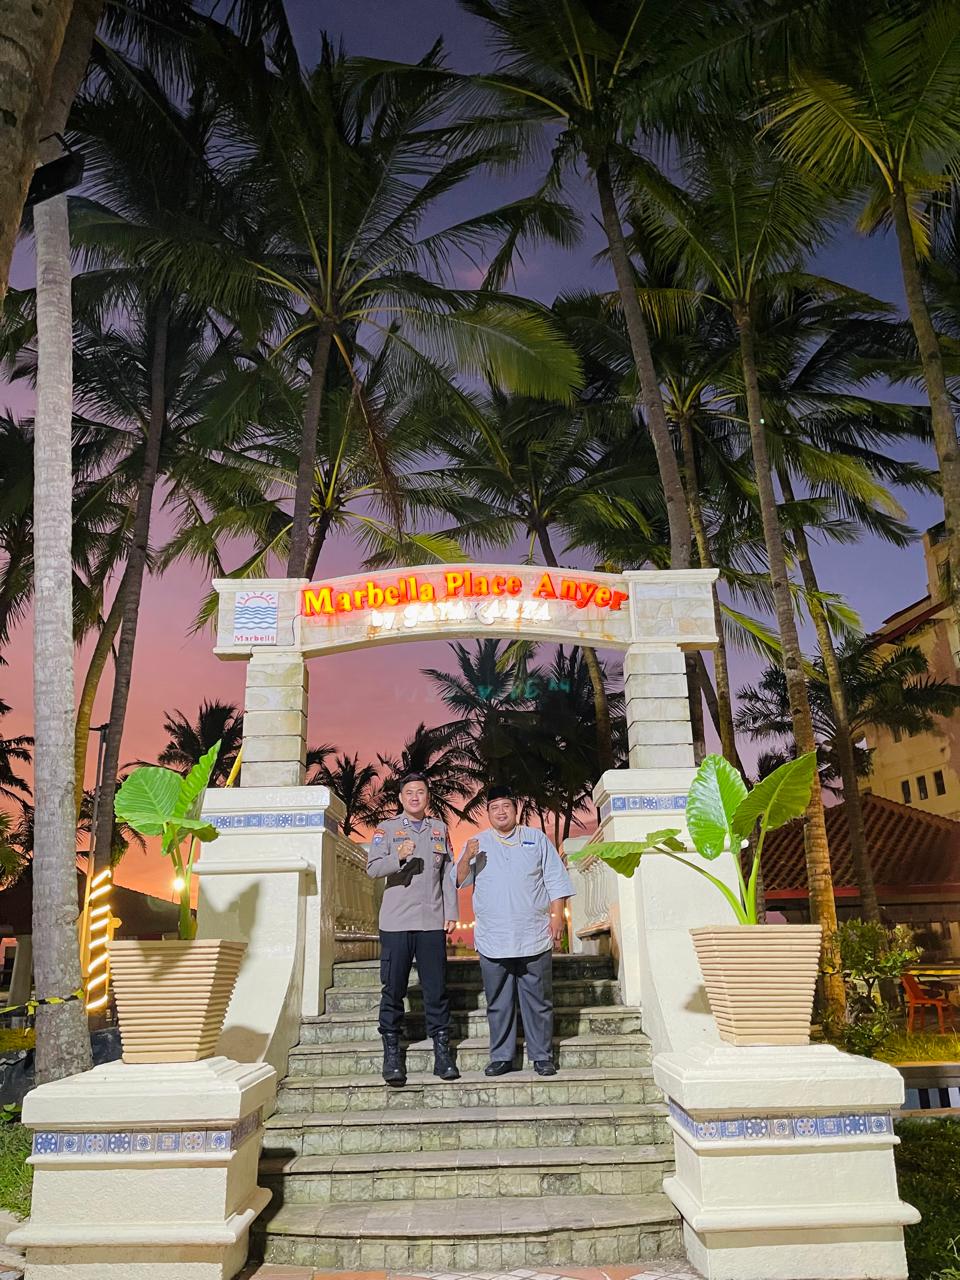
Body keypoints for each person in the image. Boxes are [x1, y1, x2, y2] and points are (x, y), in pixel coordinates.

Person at [454, 785, 574, 1077]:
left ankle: (542, 1056)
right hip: (493, 937)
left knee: (538, 1000)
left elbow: (555, 879)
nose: (501, 812)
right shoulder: (477, 843)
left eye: (506, 806)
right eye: (494, 808)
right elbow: (459, 880)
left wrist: (557, 917)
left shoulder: (536, 838)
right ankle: (502, 1057)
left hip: (533, 934)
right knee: (498, 1002)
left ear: (516, 809)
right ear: (488, 813)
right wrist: (466, 856)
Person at [366, 773, 459, 1086]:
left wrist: (451, 911)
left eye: (421, 791)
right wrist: (398, 856)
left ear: (427, 796)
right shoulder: (387, 829)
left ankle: (442, 1053)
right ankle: (392, 1053)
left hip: (431, 921)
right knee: (393, 989)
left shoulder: (439, 829)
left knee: (436, 989)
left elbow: (448, 873)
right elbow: (372, 868)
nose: (415, 797)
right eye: (409, 792)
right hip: (396, 923)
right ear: (401, 798)